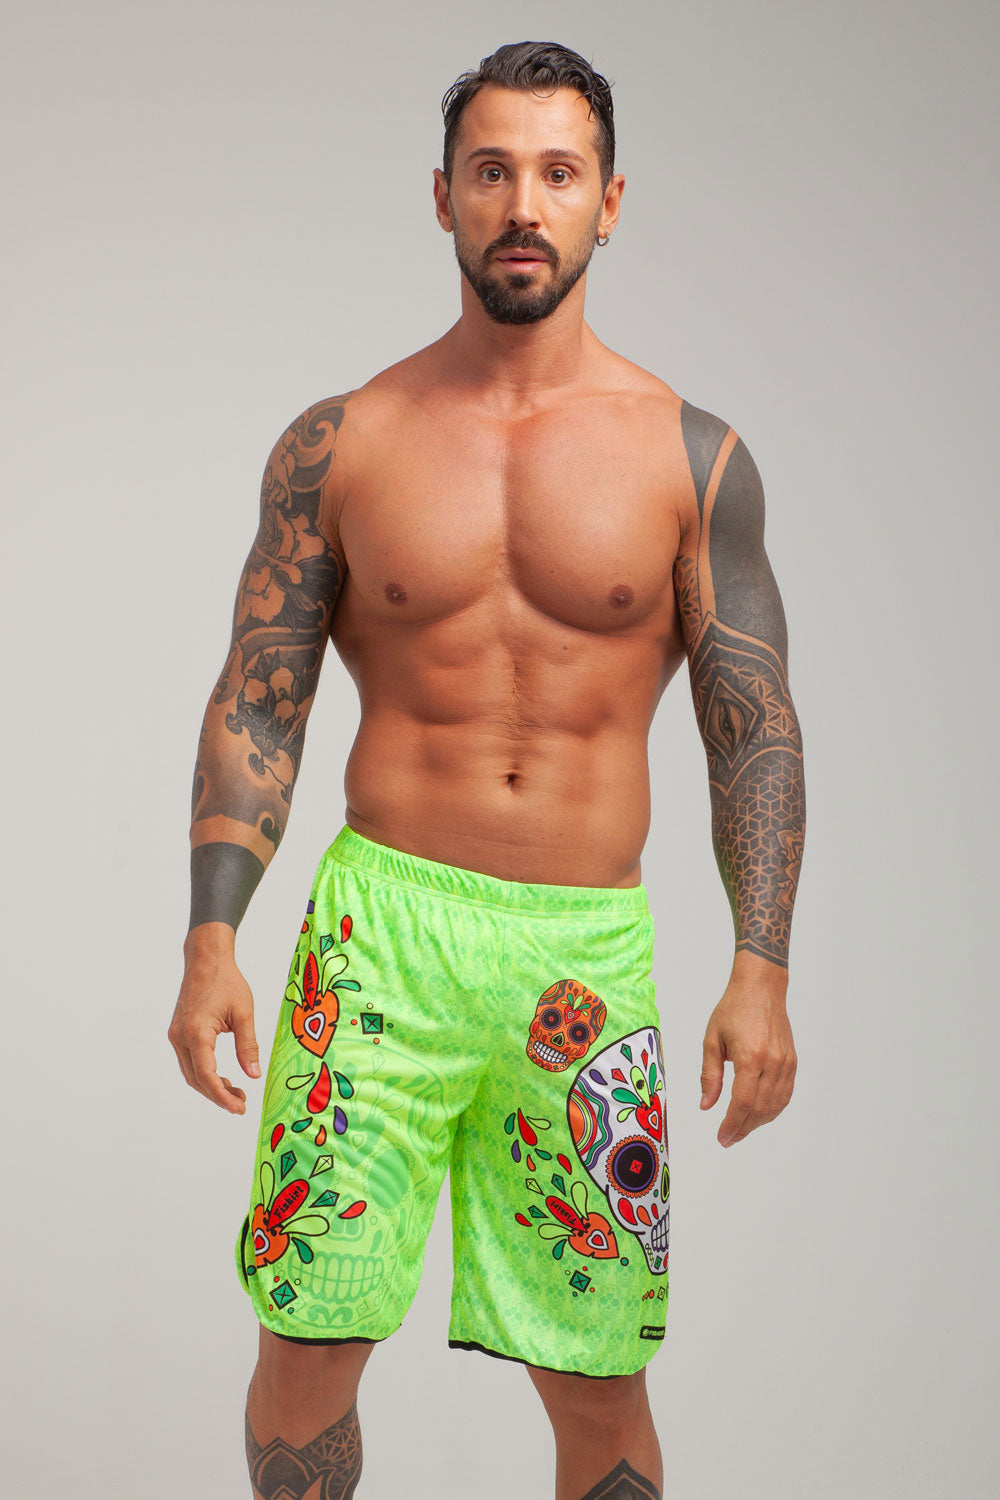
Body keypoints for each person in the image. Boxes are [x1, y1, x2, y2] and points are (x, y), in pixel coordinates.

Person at [168, 39, 805, 1500]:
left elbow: (754, 725)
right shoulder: (343, 444)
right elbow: (260, 697)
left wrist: (761, 967)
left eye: (559, 174)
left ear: (610, 202)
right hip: (378, 941)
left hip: (584, 954)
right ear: (444, 195)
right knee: (304, 1343)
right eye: (493, 171)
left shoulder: (692, 458)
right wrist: (211, 942)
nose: (525, 204)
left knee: (597, 1373)